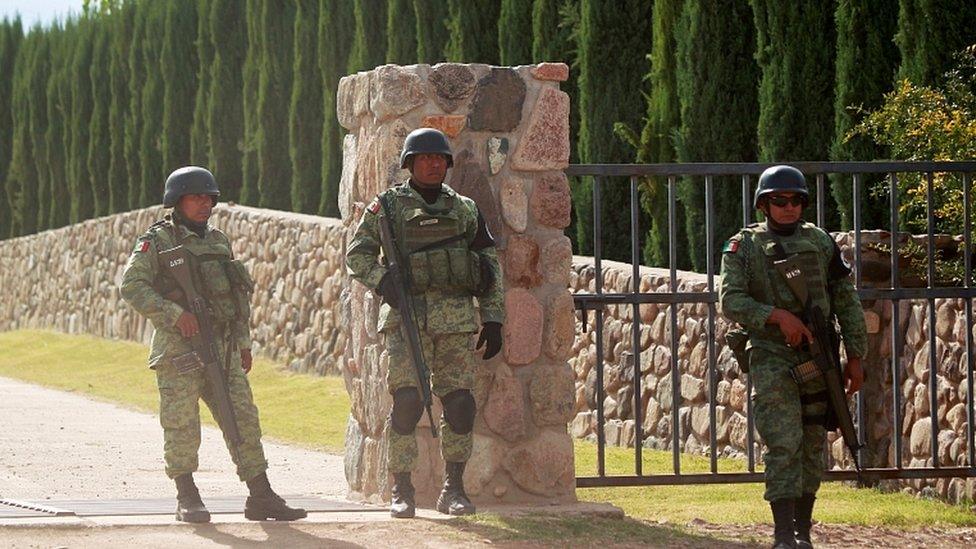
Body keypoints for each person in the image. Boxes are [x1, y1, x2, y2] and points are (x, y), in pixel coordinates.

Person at [120, 166, 306, 523]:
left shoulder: (218, 241)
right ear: (177, 201)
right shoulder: (157, 242)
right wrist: (175, 314)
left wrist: (243, 341)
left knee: (243, 419)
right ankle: (187, 496)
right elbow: (132, 286)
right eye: (196, 197)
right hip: (179, 349)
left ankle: (261, 496)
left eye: (209, 197)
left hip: (223, 347)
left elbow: (236, 296)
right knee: (182, 423)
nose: (204, 203)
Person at [345, 128, 505, 519]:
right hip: (407, 322)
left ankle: (454, 487)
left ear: (448, 164)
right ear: (409, 164)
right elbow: (357, 254)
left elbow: (488, 265)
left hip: (455, 321)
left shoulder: (465, 209)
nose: (433, 164)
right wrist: (383, 281)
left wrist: (494, 317)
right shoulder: (386, 208)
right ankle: (402, 487)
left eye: (439, 158)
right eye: (424, 158)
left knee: (460, 404)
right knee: (407, 403)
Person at [719, 165, 867, 549]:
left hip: (819, 356)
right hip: (772, 356)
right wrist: (776, 316)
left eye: (796, 200)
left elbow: (845, 299)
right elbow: (730, 300)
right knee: (783, 442)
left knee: (813, 442)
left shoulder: (819, 242)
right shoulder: (744, 246)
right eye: (779, 201)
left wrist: (855, 355)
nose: (788, 207)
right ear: (763, 205)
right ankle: (783, 535)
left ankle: (803, 532)